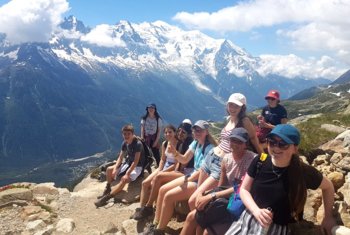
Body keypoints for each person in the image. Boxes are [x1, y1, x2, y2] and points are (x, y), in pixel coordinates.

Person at [225, 124, 336, 235]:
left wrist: (328, 217)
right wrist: (256, 211)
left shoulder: (303, 172)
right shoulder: (260, 161)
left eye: (283, 144)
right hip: (248, 219)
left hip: (276, 229)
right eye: (272, 142)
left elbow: (328, 187)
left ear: (295, 148)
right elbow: (244, 189)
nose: (276, 147)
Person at [186, 93, 263, 211]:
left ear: (242, 107)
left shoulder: (245, 120)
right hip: (211, 157)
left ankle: (201, 222)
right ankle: (198, 222)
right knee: (198, 195)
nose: (232, 108)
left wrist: (263, 157)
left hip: (221, 163)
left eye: (236, 106)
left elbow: (253, 139)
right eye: (230, 105)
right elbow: (224, 140)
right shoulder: (229, 119)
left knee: (195, 199)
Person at [143, 120, 217, 235]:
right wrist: (175, 153)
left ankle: (159, 230)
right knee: (162, 190)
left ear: (206, 132)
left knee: (168, 196)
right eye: (195, 130)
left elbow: (203, 171)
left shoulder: (209, 149)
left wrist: (187, 179)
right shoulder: (196, 143)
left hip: (201, 181)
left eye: (199, 130)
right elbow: (184, 159)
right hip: (192, 175)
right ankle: (155, 223)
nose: (196, 132)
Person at [180, 127, 256, 235]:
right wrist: (207, 195)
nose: (235, 144)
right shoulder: (226, 159)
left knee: (206, 230)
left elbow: (241, 188)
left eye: (239, 141)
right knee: (191, 217)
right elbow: (221, 185)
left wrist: (212, 196)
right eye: (232, 140)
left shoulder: (252, 160)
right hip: (225, 200)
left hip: (239, 203)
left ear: (246, 144)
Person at [132, 124, 184, 220]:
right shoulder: (165, 143)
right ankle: (141, 208)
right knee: (145, 183)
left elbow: (177, 163)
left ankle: (149, 207)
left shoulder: (179, 144)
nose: (168, 134)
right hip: (164, 166)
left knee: (153, 182)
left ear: (175, 132)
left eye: (170, 132)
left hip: (172, 168)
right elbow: (163, 159)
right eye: (166, 132)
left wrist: (163, 171)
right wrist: (160, 169)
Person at [94, 124, 145, 207]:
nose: (126, 136)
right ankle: (108, 188)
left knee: (124, 179)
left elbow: (135, 162)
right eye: (124, 134)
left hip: (137, 166)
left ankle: (106, 198)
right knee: (109, 169)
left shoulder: (138, 144)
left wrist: (127, 174)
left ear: (132, 134)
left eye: (128, 134)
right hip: (128, 163)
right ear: (122, 134)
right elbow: (120, 157)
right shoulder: (125, 143)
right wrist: (115, 169)